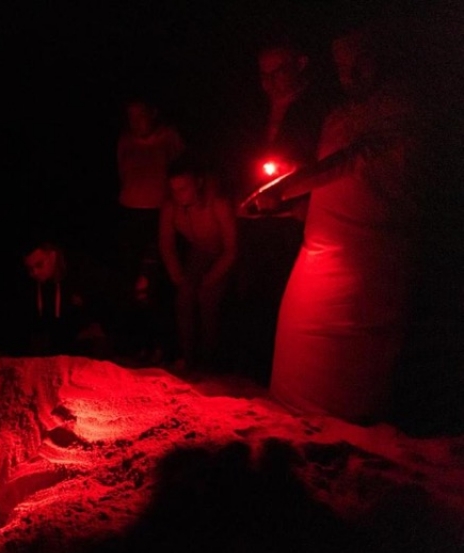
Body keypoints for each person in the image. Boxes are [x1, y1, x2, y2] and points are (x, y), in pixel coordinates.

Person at [244, 18, 423, 424]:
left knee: (354, 366)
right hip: (318, 250)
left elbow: (355, 160)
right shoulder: (339, 113)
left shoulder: (403, 109)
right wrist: (296, 207)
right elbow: (332, 178)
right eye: (341, 67)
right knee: (298, 357)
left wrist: (282, 189)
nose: (350, 75)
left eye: (360, 62)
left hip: (370, 255)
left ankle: (347, 427)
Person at [232, 35, 333, 385]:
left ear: (300, 64)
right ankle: (247, 368)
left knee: (284, 294)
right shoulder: (255, 109)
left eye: (278, 72)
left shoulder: (318, 110)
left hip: (294, 219)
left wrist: (292, 190)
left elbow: (324, 164)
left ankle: (276, 373)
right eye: (263, 74)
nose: (269, 82)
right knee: (250, 289)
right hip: (256, 215)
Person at [113, 93, 185, 360]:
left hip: (159, 214)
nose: (135, 121)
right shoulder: (125, 140)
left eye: (140, 115)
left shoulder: (169, 137)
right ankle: (137, 343)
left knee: (156, 281)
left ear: (153, 113)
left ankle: (164, 346)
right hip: (129, 214)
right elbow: (122, 172)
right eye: (131, 116)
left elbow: (182, 171)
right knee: (129, 279)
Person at [159, 156, 237, 374]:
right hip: (200, 253)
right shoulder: (171, 206)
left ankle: (208, 362)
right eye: (174, 190)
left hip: (223, 255)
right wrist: (176, 274)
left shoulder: (218, 203)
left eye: (183, 189)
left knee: (207, 299)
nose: (178, 195)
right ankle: (188, 358)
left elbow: (231, 250)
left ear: (199, 183)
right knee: (184, 297)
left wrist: (210, 279)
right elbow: (166, 243)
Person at [19, 238, 120, 358]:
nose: (34, 273)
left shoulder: (80, 271)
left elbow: (104, 303)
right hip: (57, 346)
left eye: (39, 265)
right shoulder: (33, 284)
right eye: (30, 269)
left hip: (86, 344)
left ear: (52, 257)